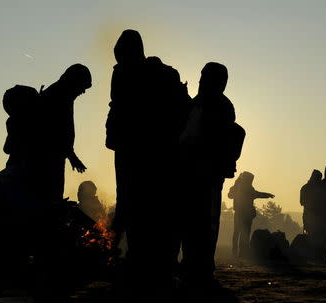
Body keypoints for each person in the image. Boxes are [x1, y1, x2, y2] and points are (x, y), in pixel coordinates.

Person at [105, 29, 190, 293]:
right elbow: (117, 106)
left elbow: (119, 107)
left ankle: (149, 262)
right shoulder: (145, 73)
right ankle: (144, 261)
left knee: (145, 204)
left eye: (121, 55)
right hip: (141, 151)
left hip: (147, 151)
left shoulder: (148, 74)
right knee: (137, 204)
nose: (119, 61)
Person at [178, 62, 244, 286]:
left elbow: (212, 139)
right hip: (189, 169)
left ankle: (202, 266)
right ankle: (191, 263)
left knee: (205, 221)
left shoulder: (222, 107)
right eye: (201, 76)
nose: (201, 80)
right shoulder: (195, 103)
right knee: (190, 220)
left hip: (207, 171)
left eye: (206, 77)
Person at [28, 63, 91, 201]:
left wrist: (70, 155)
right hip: (47, 157)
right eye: (83, 86)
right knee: (49, 198)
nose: (83, 92)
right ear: (75, 81)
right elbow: (57, 132)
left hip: (54, 156)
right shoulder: (58, 97)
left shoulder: (62, 95)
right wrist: (71, 155)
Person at [228, 171, 274, 258]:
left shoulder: (242, 188)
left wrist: (267, 195)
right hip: (244, 214)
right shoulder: (245, 188)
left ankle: (240, 252)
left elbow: (230, 195)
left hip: (242, 214)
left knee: (240, 232)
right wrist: (267, 195)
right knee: (241, 232)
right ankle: (240, 252)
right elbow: (230, 195)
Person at [300, 169, 323, 234]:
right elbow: (302, 202)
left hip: (309, 217)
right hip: (312, 218)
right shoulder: (320, 189)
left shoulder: (304, 188)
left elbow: (301, 202)